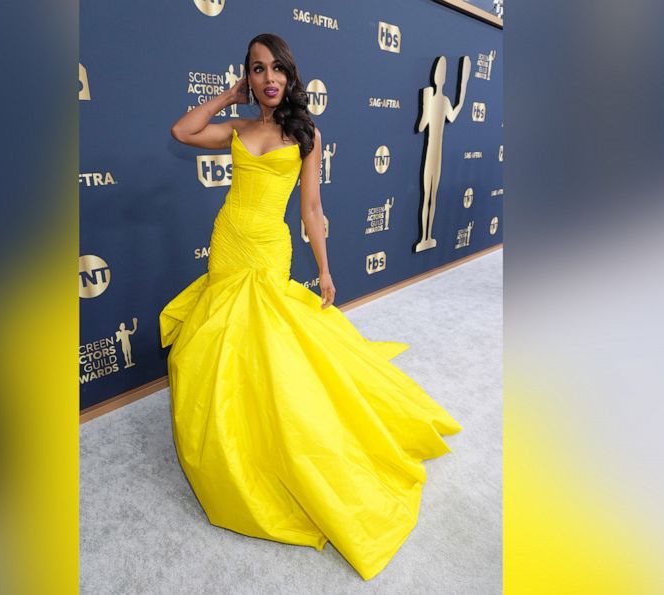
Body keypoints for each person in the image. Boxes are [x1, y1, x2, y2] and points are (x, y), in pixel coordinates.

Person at [159, 33, 462, 581]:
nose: (268, 77)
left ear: (290, 76)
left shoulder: (305, 135)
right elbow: (182, 131)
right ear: (247, 77)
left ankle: (278, 441)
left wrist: (323, 269)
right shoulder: (236, 128)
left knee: (268, 348)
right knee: (219, 343)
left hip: (270, 251)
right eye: (256, 69)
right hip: (229, 243)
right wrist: (229, 97)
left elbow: (313, 207)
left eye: (276, 68)